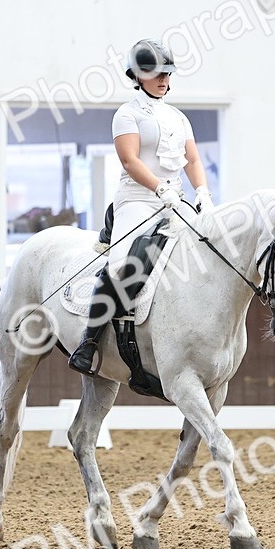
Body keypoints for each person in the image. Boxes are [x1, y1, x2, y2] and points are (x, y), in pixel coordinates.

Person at [68, 38, 214, 375]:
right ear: (138, 75)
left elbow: (192, 160)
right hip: (138, 199)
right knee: (121, 266)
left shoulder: (178, 117)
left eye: (167, 73)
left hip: (174, 200)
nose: (164, 79)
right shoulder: (127, 114)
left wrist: (203, 192)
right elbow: (130, 160)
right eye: (157, 73)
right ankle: (89, 342)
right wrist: (160, 187)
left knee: (205, 253)